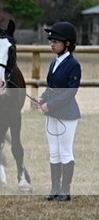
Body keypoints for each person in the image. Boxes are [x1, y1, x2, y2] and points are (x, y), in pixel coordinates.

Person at [35, 22, 81, 201]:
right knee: (54, 151)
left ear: (67, 43)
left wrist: (50, 105)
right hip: (51, 113)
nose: (52, 44)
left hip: (67, 114)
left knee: (65, 151)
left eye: (56, 41)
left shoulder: (73, 65)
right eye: (51, 41)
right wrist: (43, 98)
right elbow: (52, 86)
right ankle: (55, 188)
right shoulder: (55, 62)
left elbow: (70, 91)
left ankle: (65, 190)